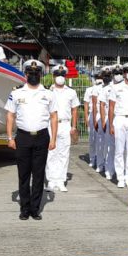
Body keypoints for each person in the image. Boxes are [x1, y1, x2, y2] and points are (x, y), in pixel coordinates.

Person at [5, 59, 57, 220]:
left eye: (36, 73)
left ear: (40, 75)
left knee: (39, 175)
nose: (33, 76)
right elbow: (10, 115)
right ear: (26, 74)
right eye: (31, 73)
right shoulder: (16, 93)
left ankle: (35, 209)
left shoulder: (48, 93)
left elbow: (54, 117)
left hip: (41, 137)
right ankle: (24, 208)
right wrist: (9, 137)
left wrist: (53, 139)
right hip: (23, 137)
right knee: (24, 174)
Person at [45, 64, 80, 192]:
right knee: (51, 153)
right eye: (58, 75)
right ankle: (51, 180)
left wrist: (74, 126)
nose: (60, 77)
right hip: (51, 124)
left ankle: (61, 180)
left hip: (65, 124)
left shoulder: (71, 92)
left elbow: (75, 109)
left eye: (63, 75)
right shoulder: (48, 92)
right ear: (54, 76)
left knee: (64, 153)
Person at [98, 64, 123, 179]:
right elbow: (102, 105)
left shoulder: (126, 87)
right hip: (110, 119)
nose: (118, 76)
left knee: (121, 147)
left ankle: (120, 171)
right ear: (113, 75)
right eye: (116, 74)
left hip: (121, 119)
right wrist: (103, 121)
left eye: (120, 73)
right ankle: (109, 169)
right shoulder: (107, 88)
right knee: (109, 146)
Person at [94, 67, 113, 174]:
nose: (107, 78)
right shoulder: (97, 88)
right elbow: (96, 105)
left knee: (110, 143)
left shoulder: (113, 87)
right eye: (105, 76)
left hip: (110, 116)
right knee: (100, 142)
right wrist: (96, 119)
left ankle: (109, 165)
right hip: (100, 116)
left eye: (108, 76)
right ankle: (100, 164)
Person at [84, 72, 102, 169]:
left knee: (101, 139)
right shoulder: (89, 90)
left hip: (101, 114)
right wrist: (87, 118)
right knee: (92, 139)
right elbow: (86, 104)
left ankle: (101, 159)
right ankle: (92, 158)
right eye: (97, 77)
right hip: (92, 115)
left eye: (100, 77)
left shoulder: (106, 89)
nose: (99, 79)